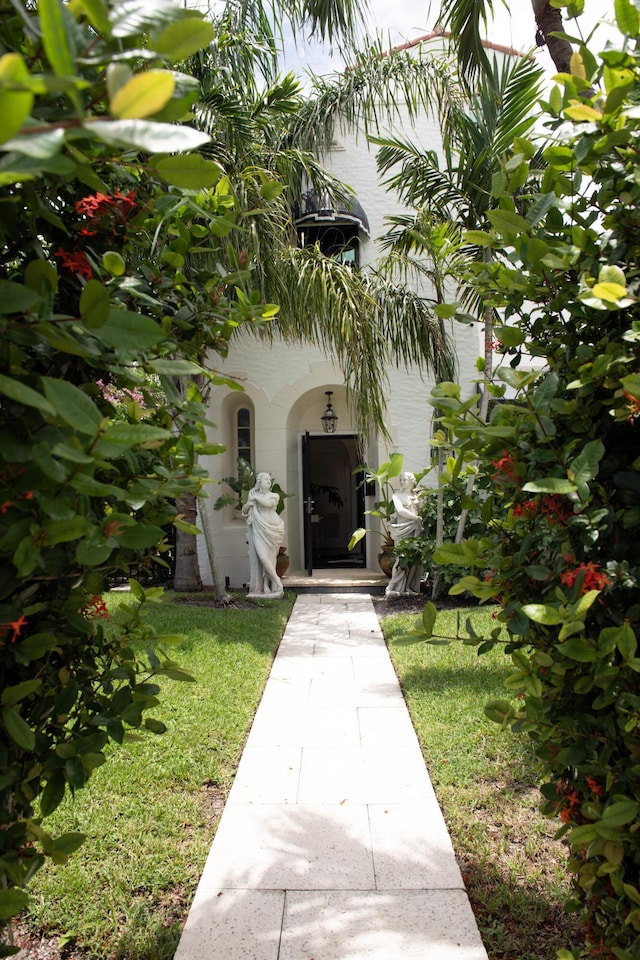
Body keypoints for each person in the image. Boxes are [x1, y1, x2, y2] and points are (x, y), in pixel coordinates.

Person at [242, 472, 285, 598]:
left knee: (271, 558)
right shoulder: (252, 494)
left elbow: (269, 504)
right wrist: (248, 504)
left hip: (273, 529)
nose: (268, 481)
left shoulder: (274, 495)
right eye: (265, 479)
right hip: (258, 528)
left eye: (269, 479)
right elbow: (245, 510)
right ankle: (278, 582)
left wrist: (255, 498)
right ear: (259, 482)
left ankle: (268, 585)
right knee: (262, 556)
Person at [385, 471, 424, 599]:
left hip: (416, 529)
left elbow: (423, 510)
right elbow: (401, 511)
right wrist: (416, 517)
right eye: (401, 480)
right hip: (403, 529)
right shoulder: (397, 496)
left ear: (412, 481)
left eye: (405, 480)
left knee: (414, 559)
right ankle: (394, 586)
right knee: (401, 557)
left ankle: (409, 586)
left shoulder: (418, 496)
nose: (402, 482)